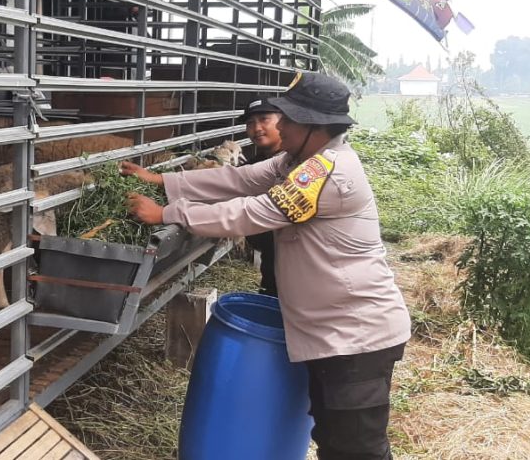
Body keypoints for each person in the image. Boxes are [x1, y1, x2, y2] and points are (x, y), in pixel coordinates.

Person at [120, 72, 411, 460]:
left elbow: (252, 213)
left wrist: (167, 214)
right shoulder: (298, 160)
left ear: (316, 126)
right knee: (333, 438)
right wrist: (163, 180)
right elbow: (237, 180)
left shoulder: (325, 173)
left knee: (358, 449)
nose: (280, 125)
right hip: (333, 333)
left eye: (289, 119)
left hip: (357, 336)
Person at [239, 97, 284, 297]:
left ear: (283, 121)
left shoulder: (295, 163)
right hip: (271, 259)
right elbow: (228, 181)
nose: (256, 128)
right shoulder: (254, 164)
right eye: (250, 123)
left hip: (292, 264)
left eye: (264, 119)